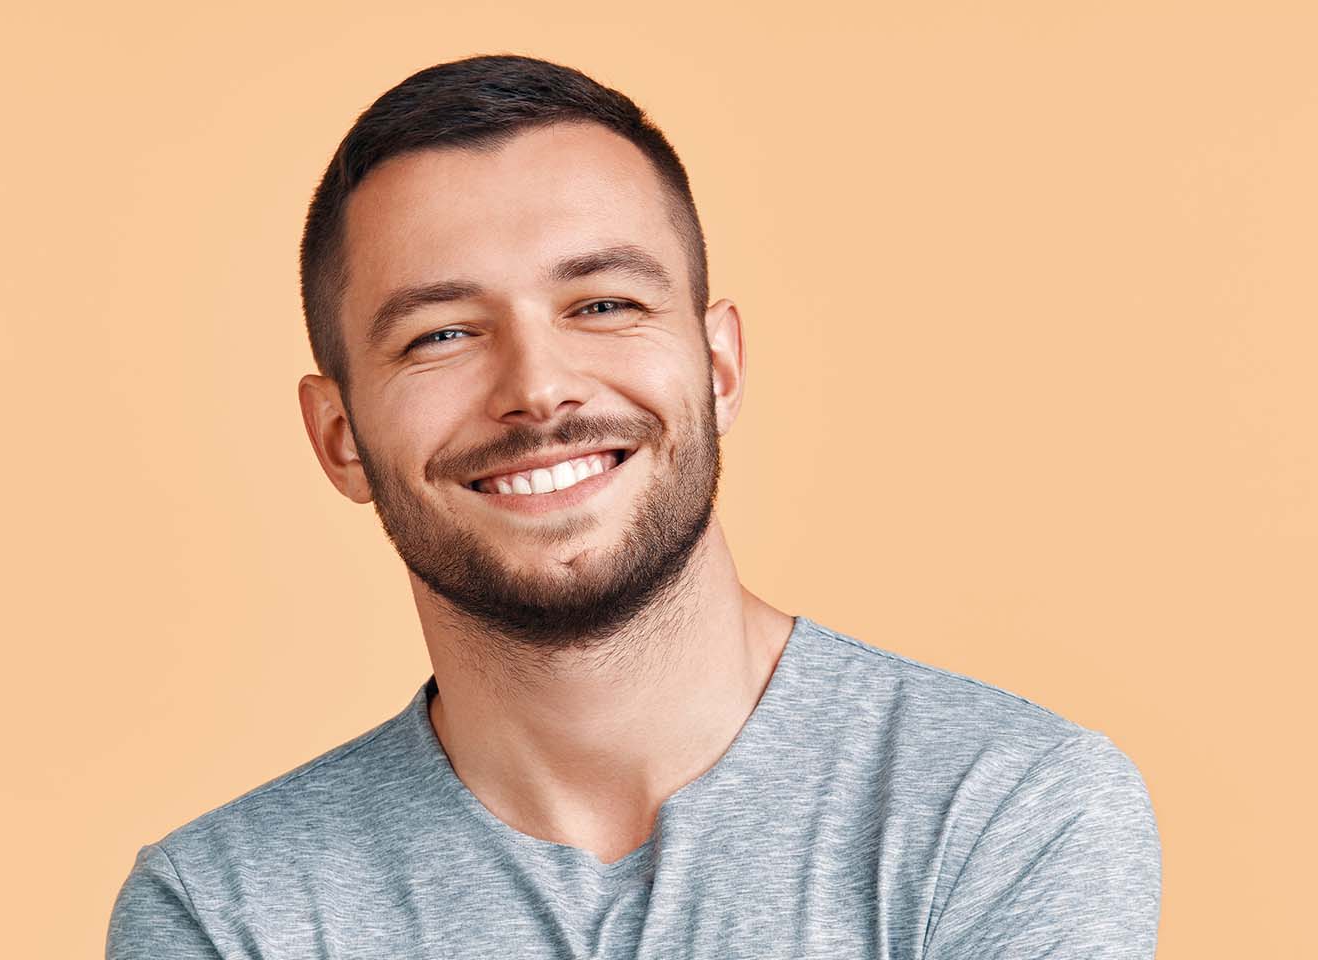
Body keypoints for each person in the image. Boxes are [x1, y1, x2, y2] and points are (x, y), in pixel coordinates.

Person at [106, 54, 1161, 959]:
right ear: (339, 439)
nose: (538, 387)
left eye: (603, 305)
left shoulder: (999, 807)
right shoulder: (228, 911)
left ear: (718, 367)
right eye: (441, 334)